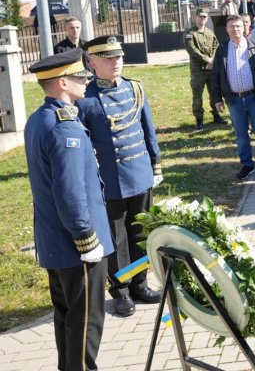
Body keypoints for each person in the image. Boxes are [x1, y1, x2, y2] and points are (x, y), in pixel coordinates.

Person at [26, 50, 113, 371]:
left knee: (66, 316)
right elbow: (70, 192)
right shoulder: (67, 128)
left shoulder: (40, 119)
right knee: (86, 321)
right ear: (63, 83)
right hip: (77, 246)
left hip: (54, 243)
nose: (87, 80)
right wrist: (86, 238)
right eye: (80, 77)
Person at [78, 35, 163, 317]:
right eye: (108, 58)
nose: (116, 62)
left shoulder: (134, 89)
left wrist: (155, 164)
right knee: (116, 240)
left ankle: (141, 283)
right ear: (92, 63)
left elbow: (147, 130)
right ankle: (121, 290)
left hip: (139, 174)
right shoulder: (86, 99)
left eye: (118, 57)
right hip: (110, 181)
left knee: (141, 233)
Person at [210, 15, 255, 180]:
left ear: (244, 28)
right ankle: (247, 164)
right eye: (231, 27)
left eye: (238, 26)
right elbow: (215, 76)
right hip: (234, 100)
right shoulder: (222, 49)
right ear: (227, 29)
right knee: (241, 134)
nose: (235, 29)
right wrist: (216, 99)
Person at [184, 9, 225, 129]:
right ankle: (199, 119)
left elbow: (216, 46)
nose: (202, 19)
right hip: (198, 70)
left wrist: (212, 60)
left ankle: (217, 116)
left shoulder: (210, 32)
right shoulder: (190, 33)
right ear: (196, 17)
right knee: (197, 95)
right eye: (200, 16)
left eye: (205, 17)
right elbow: (191, 49)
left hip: (211, 68)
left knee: (214, 92)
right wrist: (207, 60)